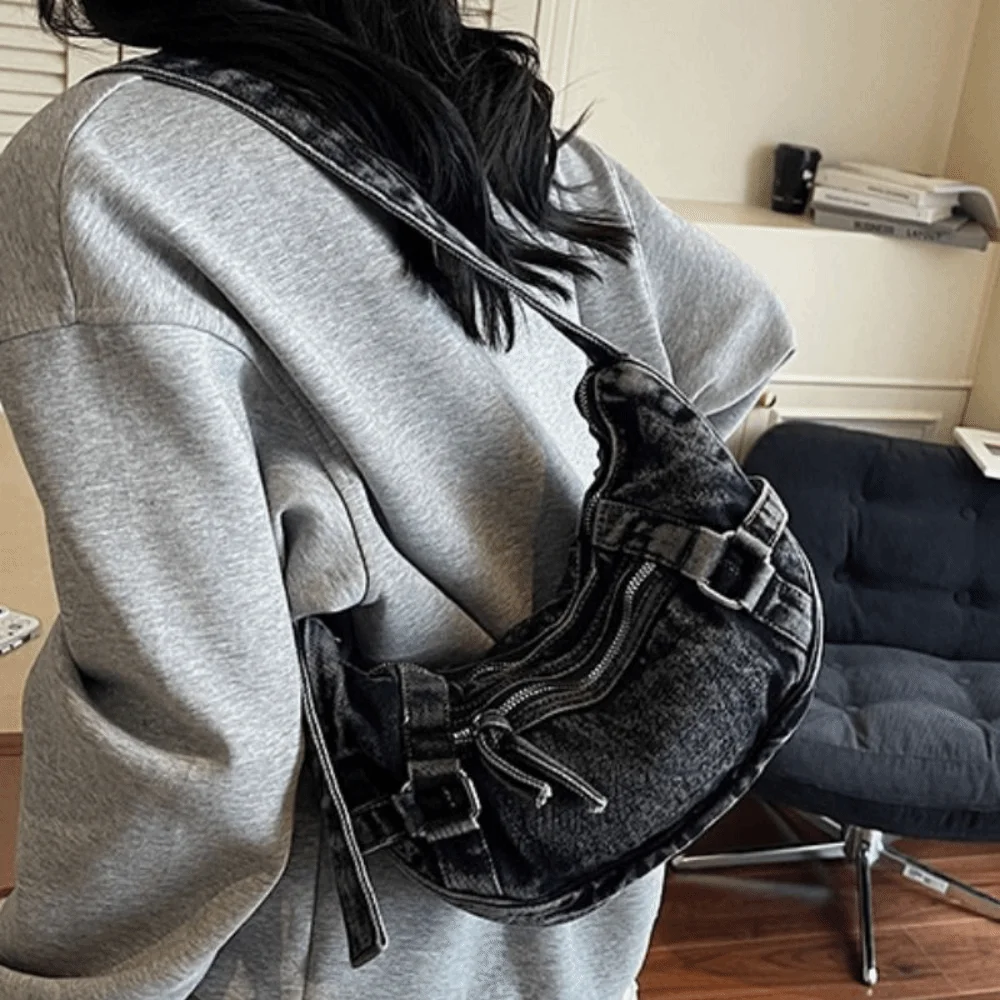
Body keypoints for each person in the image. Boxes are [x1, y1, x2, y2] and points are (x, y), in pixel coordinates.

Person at [0, 2, 796, 998]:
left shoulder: (108, 166)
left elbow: (202, 744)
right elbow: (738, 338)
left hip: (331, 950)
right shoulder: (518, 142)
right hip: (580, 906)